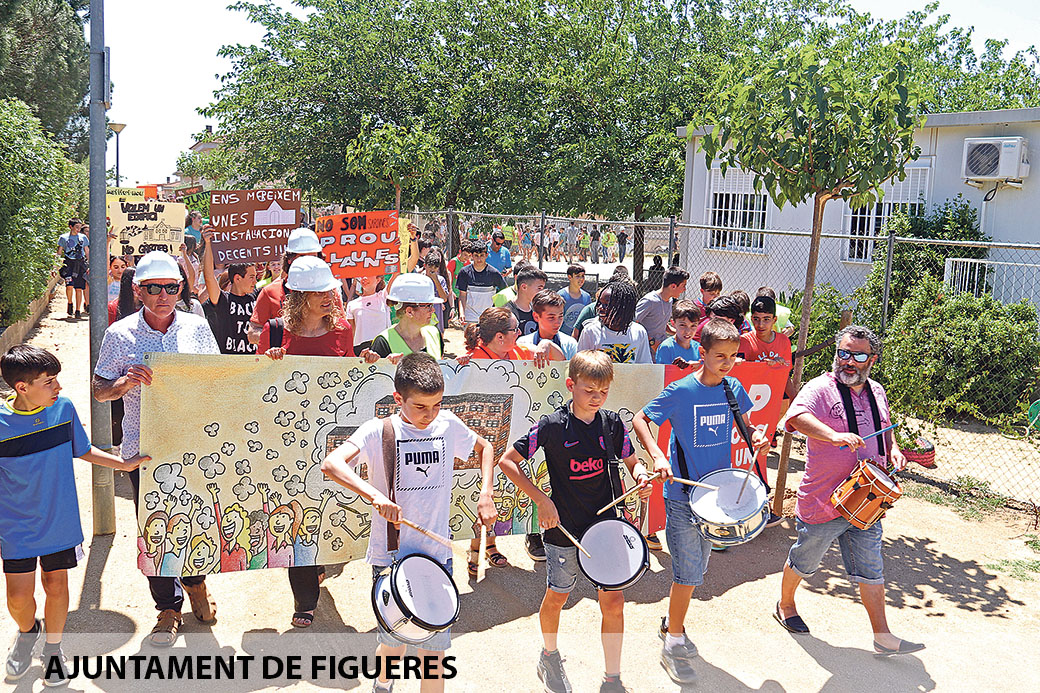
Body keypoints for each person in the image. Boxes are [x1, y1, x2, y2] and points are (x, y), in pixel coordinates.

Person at [320, 353, 497, 693]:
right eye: (420, 407)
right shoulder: (378, 431)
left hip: (437, 556)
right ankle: (383, 683)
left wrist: (486, 493)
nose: (430, 414)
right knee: (394, 645)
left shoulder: (446, 423)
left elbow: (485, 447)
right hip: (391, 558)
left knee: (434, 656)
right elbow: (332, 464)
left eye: (437, 405)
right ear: (398, 398)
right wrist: (375, 495)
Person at [499, 350, 652, 693]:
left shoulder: (612, 424)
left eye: (603, 391)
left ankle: (612, 678)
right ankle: (549, 656)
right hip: (564, 529)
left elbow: (631, 459)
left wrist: (641, 475)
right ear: (571, 385)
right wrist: (541, 499)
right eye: (589, 390)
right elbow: (508, 461)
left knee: (614, 602)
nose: (597, 398)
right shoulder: (551, 426)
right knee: (558, 596)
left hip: (607, 528)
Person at [92, 251, 220, 647]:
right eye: (153, 288)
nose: (163, 296)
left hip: (193, 445)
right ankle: (167, 607)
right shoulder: (119, 335)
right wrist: (124, 383)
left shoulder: (197, 327)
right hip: (143, 449)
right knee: (155, 528)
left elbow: (219, 380)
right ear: (137, 290)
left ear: (180, 289)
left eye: (170, 287)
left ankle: (196, 583)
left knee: (195, 520)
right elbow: (99, 391)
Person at [631, 319, 769, 685]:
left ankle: (671, 624)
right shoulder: (681, 391)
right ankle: (673, 643)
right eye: (720, 356)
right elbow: (640, 419)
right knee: (687, 574)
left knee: (697, 571)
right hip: (682, 497)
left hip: (716, 496)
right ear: (702, 353)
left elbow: (746, 424)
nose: (728, 362)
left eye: (733, 356)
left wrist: (757, 435)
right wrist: (658, 455)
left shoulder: (732, 388)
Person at [1, 346, 147, 686]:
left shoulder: (63, 409)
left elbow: (81, 449)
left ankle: (53, 649)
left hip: (59, 520)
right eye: (49, 381)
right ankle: (28, 632)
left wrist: (124, 464)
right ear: (22, 387)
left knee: (56, 584)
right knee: (18, 598)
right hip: (16, 527)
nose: (59, 387)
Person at [775, 325, 922, 657]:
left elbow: (885, 429)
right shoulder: (819, 388)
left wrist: (893, 449)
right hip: (824, 500)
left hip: (867, 500)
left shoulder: (877, 391)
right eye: (843, 353)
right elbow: (795, 417)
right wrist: (833, 435)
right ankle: (785, 604)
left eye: (858, 355)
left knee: (871, 567)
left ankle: (882, 636)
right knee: (805, 560)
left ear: (872, 359)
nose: (849, 361)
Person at [258, 257, 354, 628]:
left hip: (331, 439)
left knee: (328, 509)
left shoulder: (343, 330)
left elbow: (349, 381)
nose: (330, 297)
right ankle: (305, 598)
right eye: (319, 292)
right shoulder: (275, 332)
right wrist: (270, 362)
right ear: (300, 296)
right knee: (297, 515)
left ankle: (318, 564)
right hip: (288, 442)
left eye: (330, 290)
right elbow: (257, 386)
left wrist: (365, 360)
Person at [247, 227, 327, 345]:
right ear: (290, 259)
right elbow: (253, 334)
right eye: (302, 257)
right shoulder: (270, 292)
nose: (308, 262)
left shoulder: (328, 292)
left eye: (312, 257)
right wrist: (281, 339)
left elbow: (340, 328)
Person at [199, 228, 259, 355]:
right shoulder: (223, 300)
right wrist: (208, 244)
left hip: (253, 361)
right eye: (251, 277)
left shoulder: (256, 297)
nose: (255, 281)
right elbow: (209, 276)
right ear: (237, 278)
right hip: (227, 361)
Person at [364, 274, 444, 361]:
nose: (433, 310)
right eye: (428, 306)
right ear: (409, 311)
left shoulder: (434, 333)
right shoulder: (383, 342)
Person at [577, 280, 652, 364]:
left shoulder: (638, 332)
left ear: (623, 307)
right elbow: (580, 365)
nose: (600, 307)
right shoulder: (590, 331)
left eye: (607, 304)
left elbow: (645, 365)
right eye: (599, 303)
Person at [635, 267, 689, 356]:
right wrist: (652, 342)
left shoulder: (670, 300)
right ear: (673, 286)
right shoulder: (649, 301)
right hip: (645, 351)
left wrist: (680, 333)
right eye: (683, 286)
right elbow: (633, 324)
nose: (684, 289)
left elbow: (661, 323)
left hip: (661, 349)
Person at [518, 290, 580, 359]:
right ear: (536, 316)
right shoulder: (523, 343)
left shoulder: (570, 344)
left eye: (560, 316)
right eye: (551, 317)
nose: (558, 322)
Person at [456, 241, 506, 324]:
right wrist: (462, 313)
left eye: (482, 255)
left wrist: (497, 311)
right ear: (471, 256)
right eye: (476, 256)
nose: (479, 259)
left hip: (488, 318)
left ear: (486, 255)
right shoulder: (464, 272)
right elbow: (462, 295)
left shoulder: (494, 273)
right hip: (470, 317)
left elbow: (504, 292)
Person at [346, 275, 391, 353]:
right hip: (360, 350)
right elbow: (351, 332)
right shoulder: (352, 304)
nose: (364, 278)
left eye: (368, 275)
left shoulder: (383, 297)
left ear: (378, 280)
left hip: (383, 347)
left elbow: (395, 275)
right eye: (362, 276)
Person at [58, 218, 89, 318]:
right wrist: (55, 266)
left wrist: (89, 265)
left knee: (79, 288)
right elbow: (59, 253)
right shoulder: (63, 238)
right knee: (69, 285)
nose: (78, 229)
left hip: (80, 264)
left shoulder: (83, 237)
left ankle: (78, 310)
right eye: (76, 227)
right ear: (71, 227)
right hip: (68, 264)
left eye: (80, 227)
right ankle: (70, 303)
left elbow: (86, 251)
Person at [655, 300, 702, 366]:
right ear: (673, 323)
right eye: (682, 325)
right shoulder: (666, 348)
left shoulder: (699, 348)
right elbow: (664, 371)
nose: (688, 331)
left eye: (693, 326)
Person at [506, 265, 548, 336]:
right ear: (524, 287)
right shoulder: (507, 312)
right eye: (539, 288)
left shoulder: (538, 309)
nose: (542, 292)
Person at [558, 264, 591, 336]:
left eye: (583, 276)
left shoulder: (587, 297)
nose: (581, 279)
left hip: (580, 337)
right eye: (577, 276)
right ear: (570, 277)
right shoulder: (561, 295)